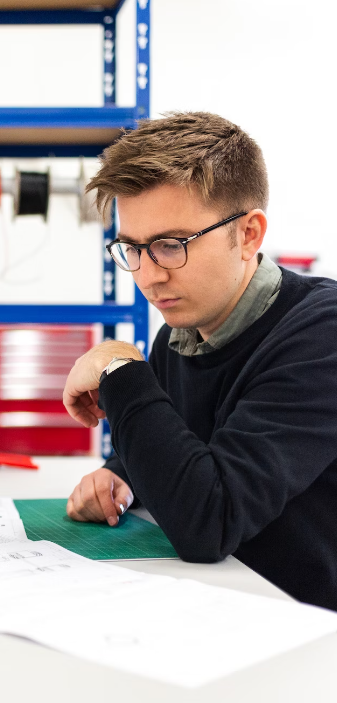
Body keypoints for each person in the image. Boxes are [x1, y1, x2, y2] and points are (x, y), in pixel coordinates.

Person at [62, 112, 337, 611]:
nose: (147, 276)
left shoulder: (323, 336)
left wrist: (121, 367)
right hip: (224, 612)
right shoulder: (179, 337)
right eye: (132, 249)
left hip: (310, 640)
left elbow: (209, 523)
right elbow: (192, 444)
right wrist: (120, 476)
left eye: (171, 246)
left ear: (249, 235)